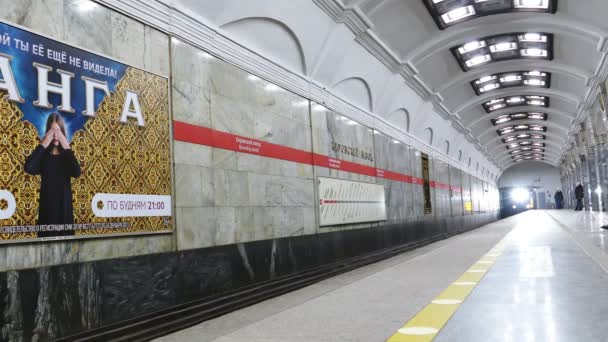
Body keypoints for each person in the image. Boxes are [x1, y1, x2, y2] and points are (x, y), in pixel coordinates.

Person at [24, 113, 81, 237]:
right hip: (47, 212)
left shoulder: (66, 156)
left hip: (64, 212)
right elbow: (28, 168)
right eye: (52, 131)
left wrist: (66, 146)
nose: (55, 136)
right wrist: (43, 144)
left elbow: (77, 172)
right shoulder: (43, 156)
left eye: (58, 131)